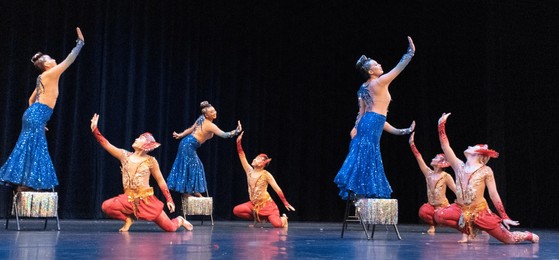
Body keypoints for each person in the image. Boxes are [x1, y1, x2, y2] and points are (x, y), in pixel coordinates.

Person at [0, 27, 85, 191]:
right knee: (36, 147)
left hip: (34, 115)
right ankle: (26, 184)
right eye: (51, 58)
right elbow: (70, 60)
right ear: (47, 64)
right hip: (36, 115)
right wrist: (80, 43)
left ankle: (24, 184)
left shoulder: (42, 77)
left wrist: (37, 119)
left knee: (29, 146)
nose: (54, 60)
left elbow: (31, 99)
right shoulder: (51, 73)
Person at [434, 112, 538, 243]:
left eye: (473, 147)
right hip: (460, 209)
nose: (469, 147)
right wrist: (441, 126)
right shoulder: (458, 166)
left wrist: (504, 216)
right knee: (439, 215)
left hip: (480, 212)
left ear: (478, 154)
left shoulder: (486, 171)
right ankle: (470, 230)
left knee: (508, 240)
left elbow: (494, 194)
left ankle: (526, 235)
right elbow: (445, 146)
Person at [334, 36, 416, 199]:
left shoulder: (363, 88)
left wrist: (403, 131)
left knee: (365, 160)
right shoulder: (379, 82)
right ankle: (363, 203)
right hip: (370, 124)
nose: (380, 65)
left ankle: (362, 201)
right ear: (371, 71)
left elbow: (365, 115)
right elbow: (398, 68)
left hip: (368, 123)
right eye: (376, 65)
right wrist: (410, 52)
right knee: (368, 159)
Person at [90, 113, 192, 232]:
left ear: (145, 146)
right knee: (106, 206)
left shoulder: (151, 161)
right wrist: (95, 130)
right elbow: (106, 144)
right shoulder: (124, 156)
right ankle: (128, 219)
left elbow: (161, 181)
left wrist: (169, 199)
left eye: (139, 139)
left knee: (170, 228)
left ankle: (179, 220)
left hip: (147, 201)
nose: (135, 139)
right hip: (128, 199)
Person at [167, 101, 241, 198]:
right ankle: (187, 193)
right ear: (206, 115)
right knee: (192, 166)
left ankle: (193, 191)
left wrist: (181, 135)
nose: (214, 112)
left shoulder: (201, 119)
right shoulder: (209, 124)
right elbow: (224, 135)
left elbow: (191, 129)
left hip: (187, 143)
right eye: (211, 112)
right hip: (188, 144)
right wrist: (236, 131)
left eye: (214, 110)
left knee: (196, 166)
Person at [233, 132, 295, 228]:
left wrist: (285, 202)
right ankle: (259, 218)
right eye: (256, 158)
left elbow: (277, 188)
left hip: (267, 205)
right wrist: (238, 143)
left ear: (263, 164)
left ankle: (283, 219)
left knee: (277, 225)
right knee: (236, 210)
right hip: (253, 204)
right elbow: (242, 155)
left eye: (258, 159)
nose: (254, 159)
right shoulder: (249, 170)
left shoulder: (266, 175)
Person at [409, 131, 457, 234]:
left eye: (436, 158)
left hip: (443, 206)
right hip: (432, 205)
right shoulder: (428, 174)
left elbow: (455, 189)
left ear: (440, 164)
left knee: (443, 216)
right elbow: (419, 158)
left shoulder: (446, 176)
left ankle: (461, 227)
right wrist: (412, 144)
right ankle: (432, 225)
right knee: (423, 211)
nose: (432, 159)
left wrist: (463, 202)